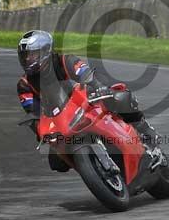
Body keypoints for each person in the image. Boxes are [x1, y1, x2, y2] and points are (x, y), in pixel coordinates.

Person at [16, 30, 160, 172]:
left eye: (32, 55)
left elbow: (84, 73)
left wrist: (98, 87)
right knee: (56, 163)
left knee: (120, 97)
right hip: (61, 121)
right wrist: (40, 132)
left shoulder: (63, 61)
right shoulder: (24, 84)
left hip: (83, 102)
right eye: (25, 56)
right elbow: (32, 112)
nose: (28, 59)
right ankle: (95, 169)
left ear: (46, 51)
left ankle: (145, 130)